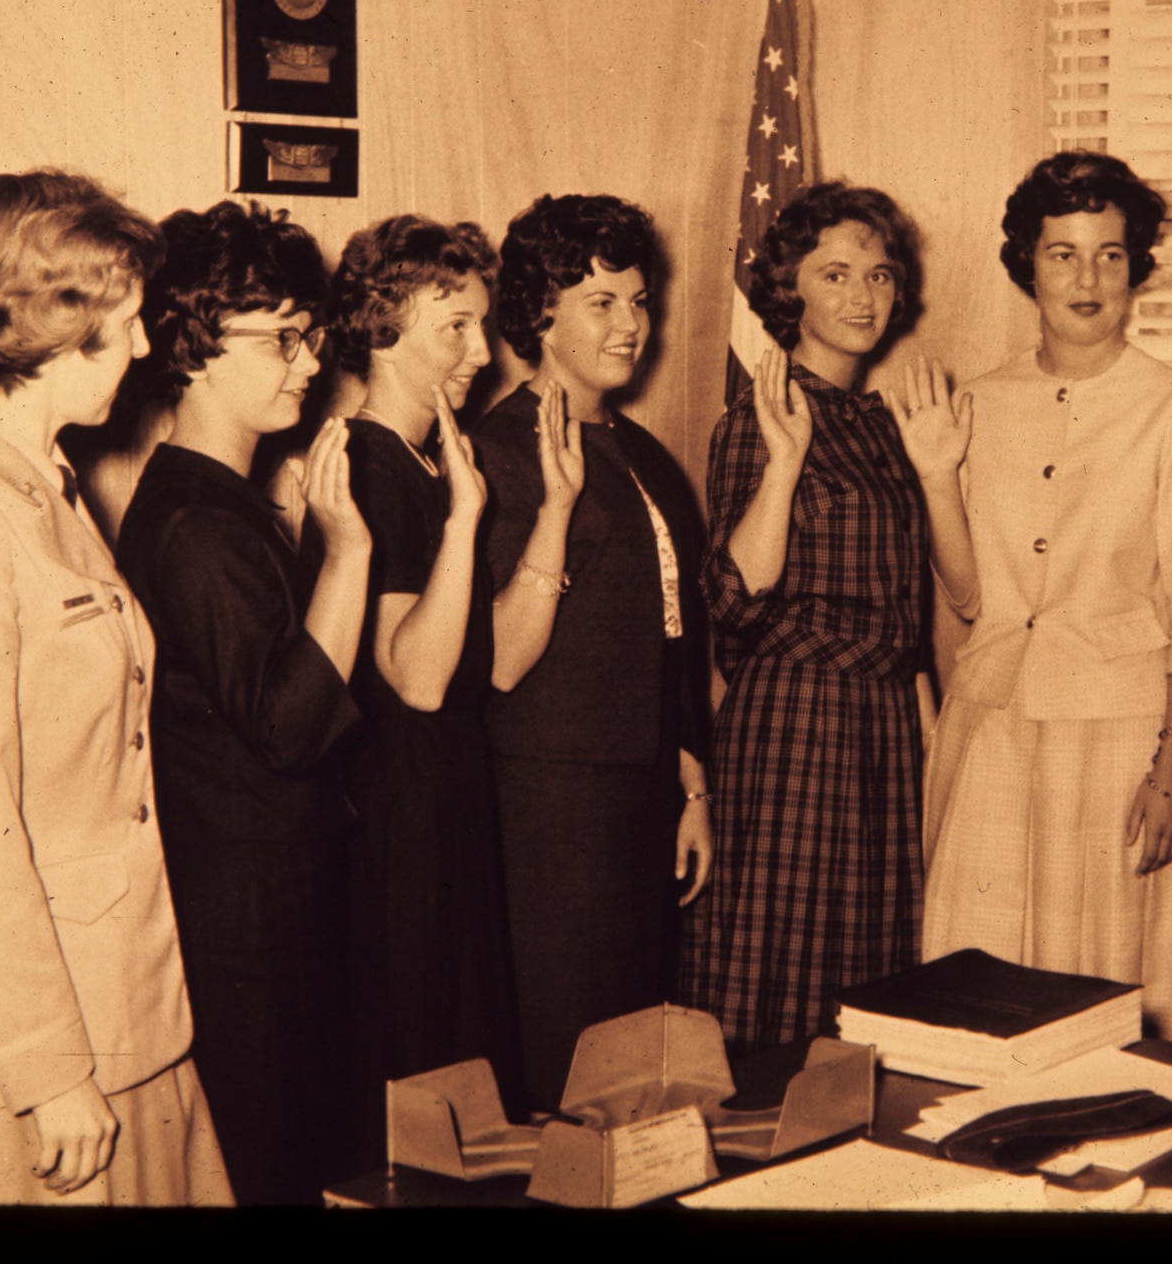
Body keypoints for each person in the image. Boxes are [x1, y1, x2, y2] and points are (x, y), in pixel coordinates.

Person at [0, 170, 231, 1204]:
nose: (143, 350)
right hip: (44, 1059)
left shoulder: (44, 487)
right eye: (127, 323)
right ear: (59, 327)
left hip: (128, 1012)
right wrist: (48, 1069)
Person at [900, 152, 1172, 1037]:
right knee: (977, 985)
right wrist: (935, 477)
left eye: (1110, 254)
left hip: (1118, 736)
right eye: (1063, 253)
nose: (1087, 277)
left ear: (1136, 266)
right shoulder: (975, 403)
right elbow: (967, 597)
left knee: (1100, 990)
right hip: (992, 727)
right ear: (1027, 265)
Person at [115, 200, 370, 1203]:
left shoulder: (223, 502)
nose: (308, 362)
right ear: (192, 347)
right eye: (282, 338)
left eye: (308, 335)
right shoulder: (193, 521)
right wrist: (348, 554)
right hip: (247, 935)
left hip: (276, 914)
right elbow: (288, 727)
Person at [469, 194, 713, 1110]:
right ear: (540, 315)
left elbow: (674, 639)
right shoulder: (500, 452)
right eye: (601, 302)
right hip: (549, 806)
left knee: (632, 1055)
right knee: (562, 1049)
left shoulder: (640, 450)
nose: (630, 326)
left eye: (639, 300)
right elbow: (495, 657)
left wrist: (690, 786)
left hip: (641, 794)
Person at [679, 182, 933, 1055]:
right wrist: (785, 466)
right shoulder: (762, 414)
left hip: (882, 725)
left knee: (867, 985)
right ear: (791, 291)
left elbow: (914, 601)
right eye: (835, 275)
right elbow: (730, 599)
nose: (864, 296)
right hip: (797, 724)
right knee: (780, 979)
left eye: (880, 274)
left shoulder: (883, 422)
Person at [323, 215, 528, 1132]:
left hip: (445, 802)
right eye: (456, 327)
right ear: (382, 331)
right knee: (423, 1080)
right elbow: (418, 678)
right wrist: (462, 522)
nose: (482, 353)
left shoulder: (425, 461)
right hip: (399, 825)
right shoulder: (371, 465)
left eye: (482, 325)